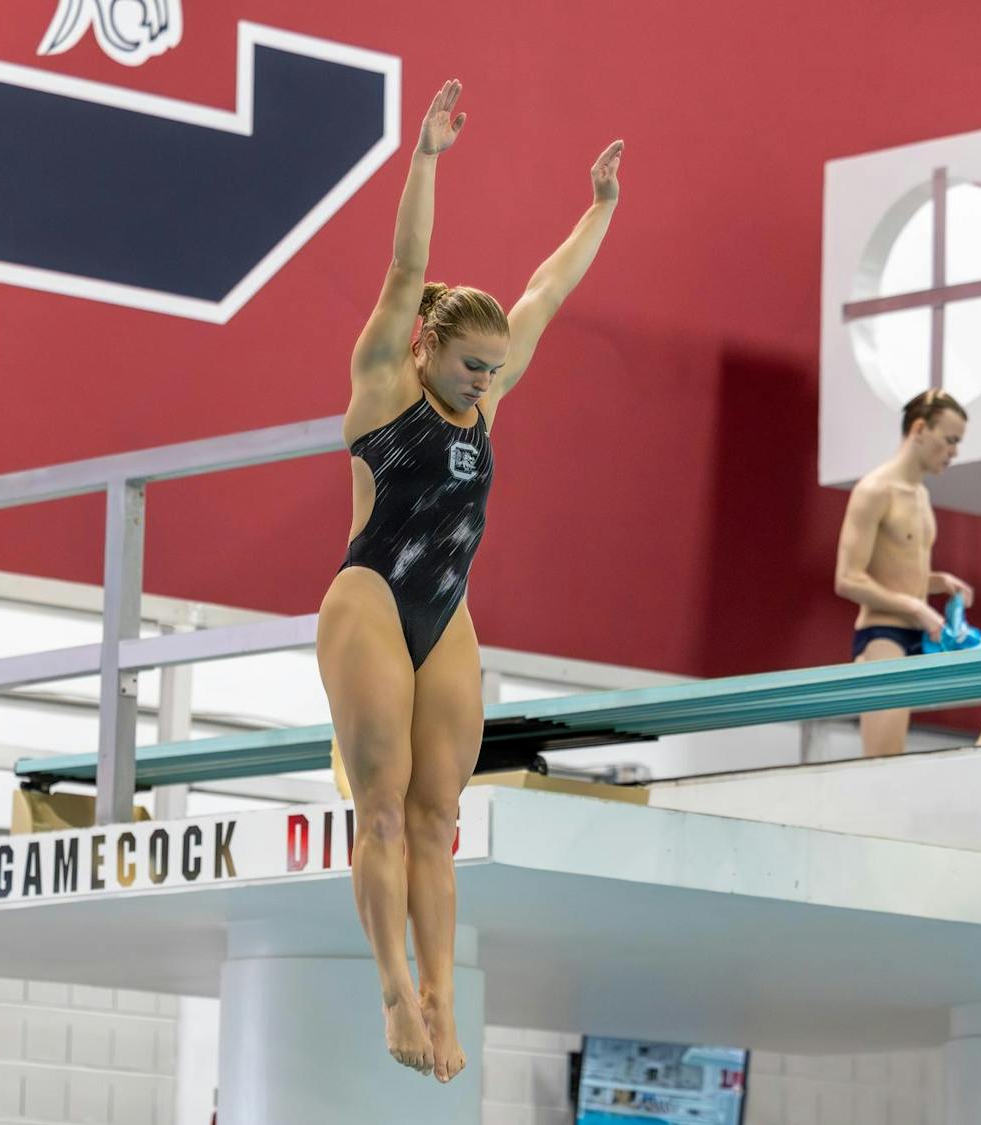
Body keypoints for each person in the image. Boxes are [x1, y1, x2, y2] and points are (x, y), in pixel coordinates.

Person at [316, 78, 623, 1081]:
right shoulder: (381, 383)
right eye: (471, 365)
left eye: (496, 369)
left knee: (442, 818)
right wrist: (429, 157)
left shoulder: (484, 406)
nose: (488, 381)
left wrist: (599, 210)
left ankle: (445, 1001)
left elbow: (547, 293)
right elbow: (406, 267)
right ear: (426, 347)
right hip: (368, 596)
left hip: (444, 611)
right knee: (384, 806)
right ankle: (395, 993)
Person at [834, 389, 981, 757]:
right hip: (885, 636)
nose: (954, 452)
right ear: (919, 429)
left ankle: (977, 764)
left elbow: (894, 566)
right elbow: (848, 578)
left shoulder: (919, 495)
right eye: (949, 440)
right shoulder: (874, 490)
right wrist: (916, 607)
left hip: (931, 632)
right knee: (884, 766)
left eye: (958, 442)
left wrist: (936, 582)